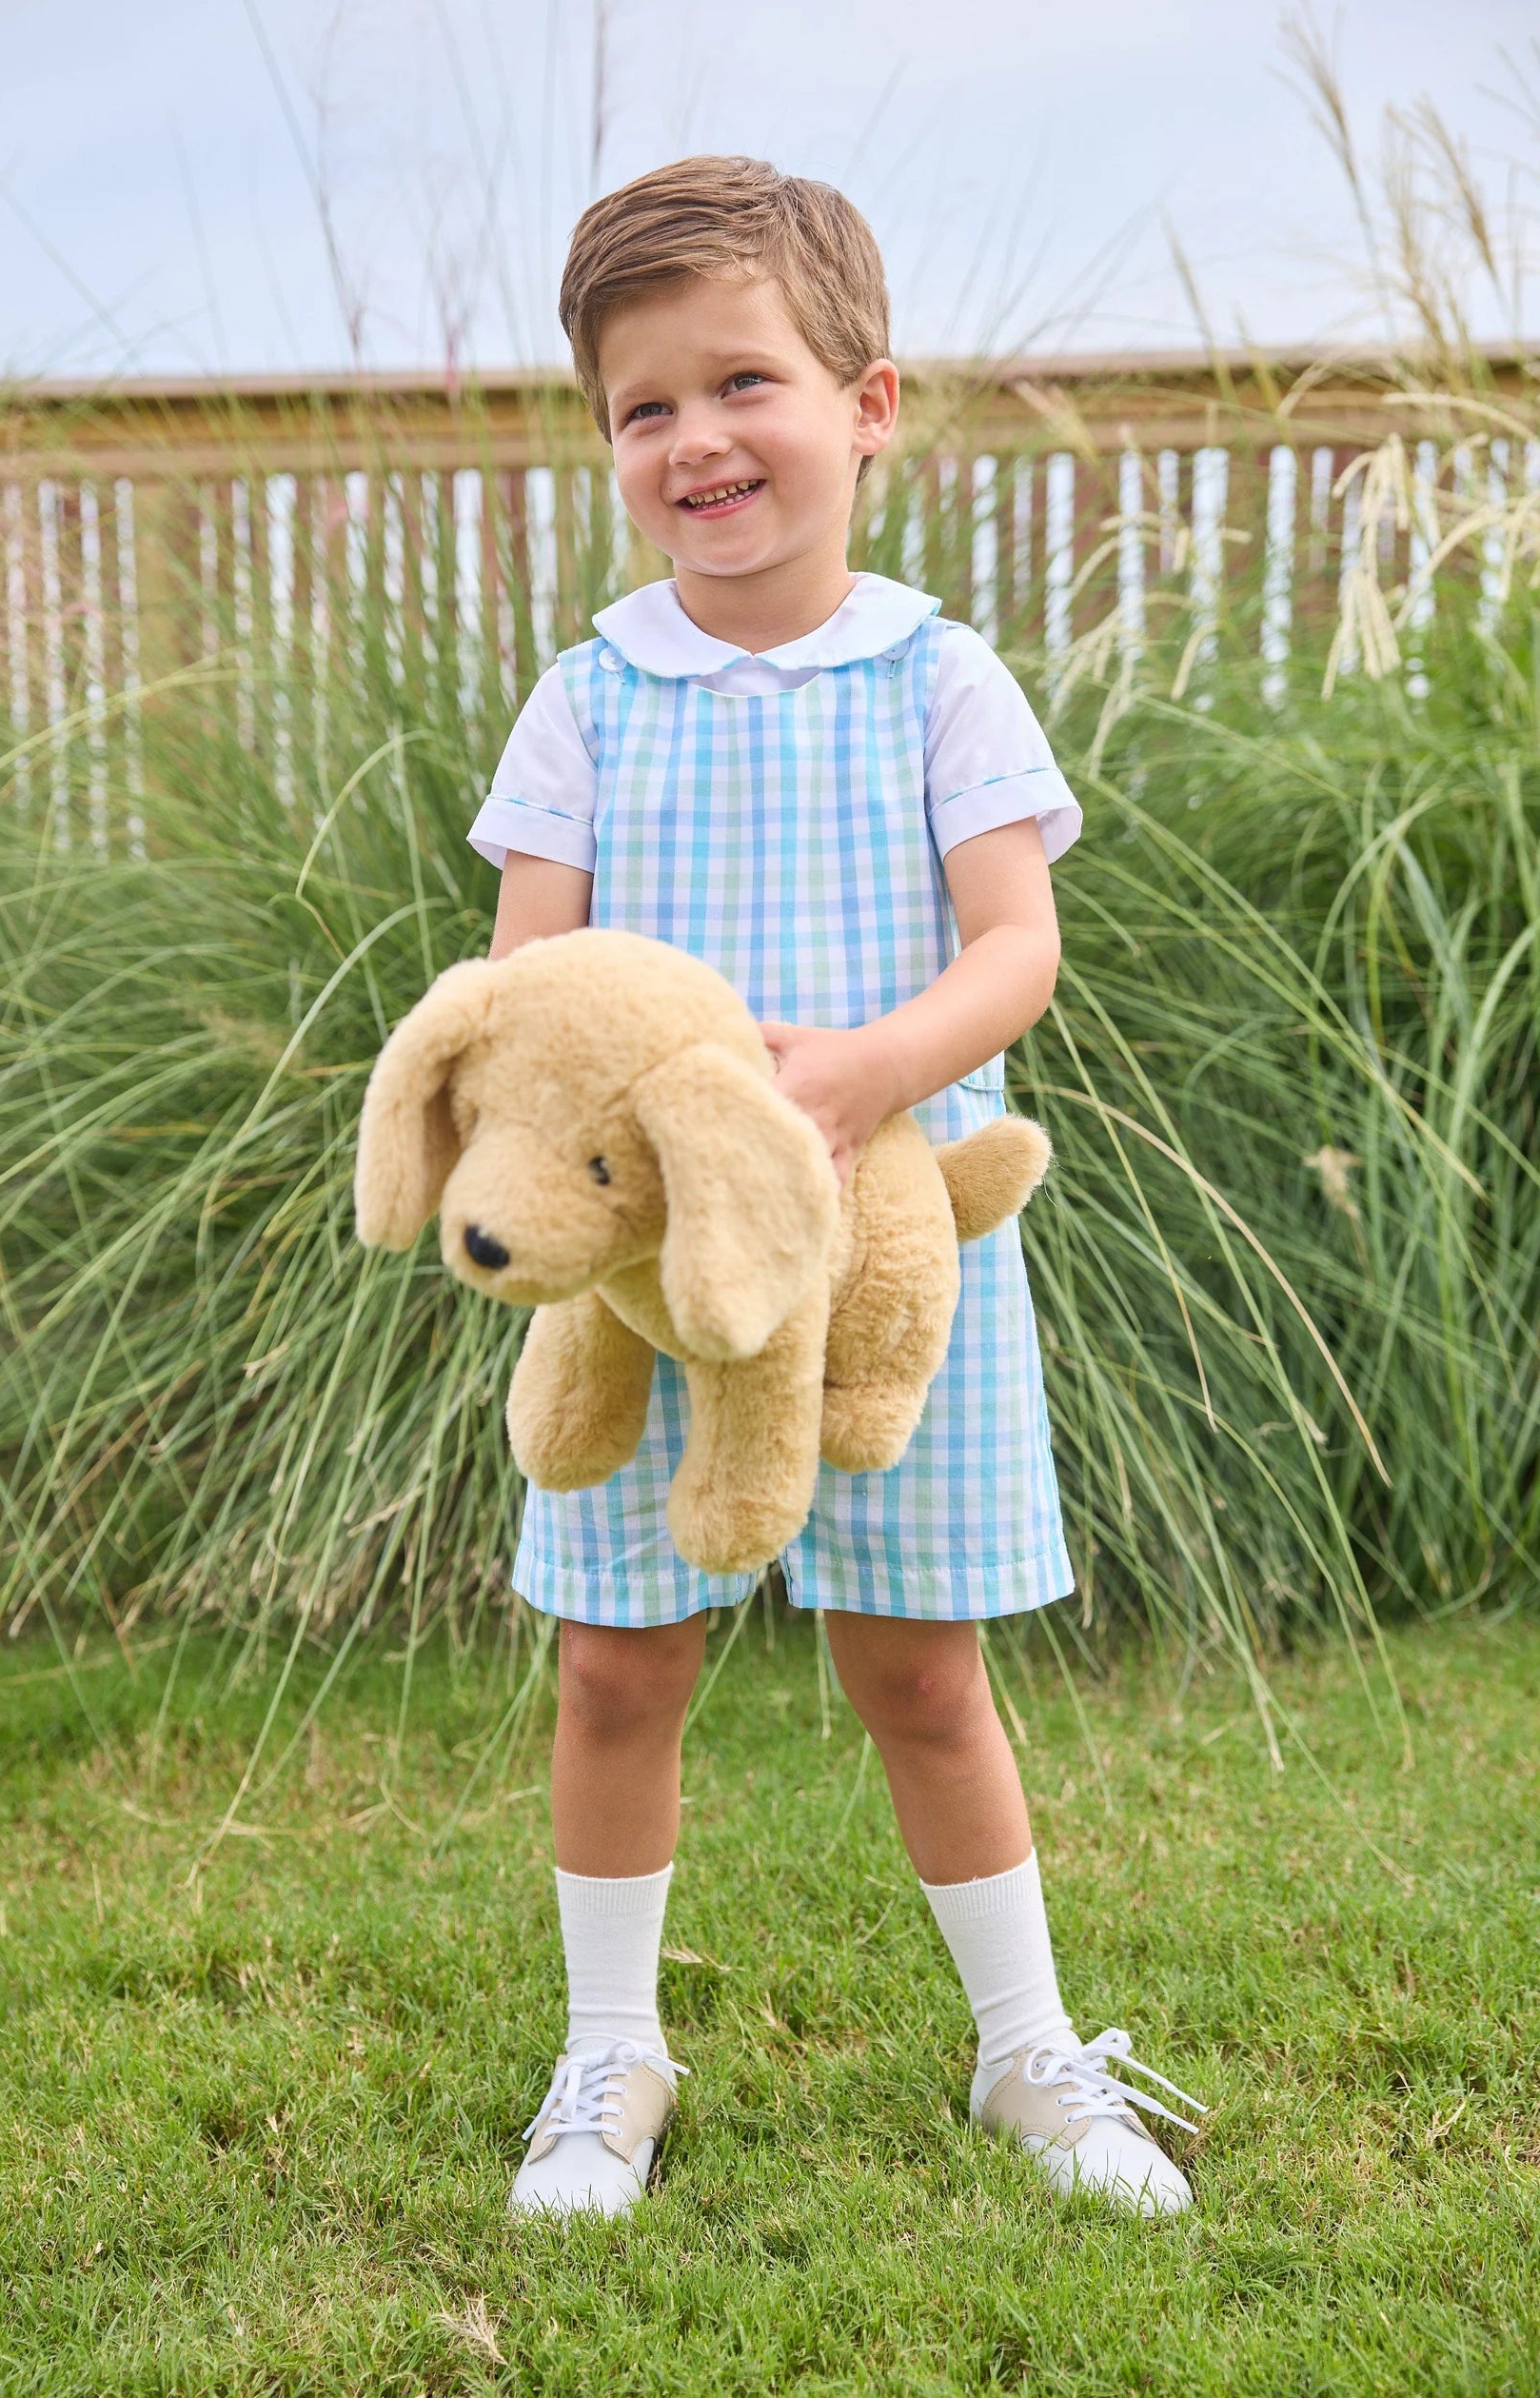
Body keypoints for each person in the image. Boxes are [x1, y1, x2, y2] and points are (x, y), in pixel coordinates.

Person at [467, 154, 1203, 2223]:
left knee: (921, 1670)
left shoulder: (937, 678)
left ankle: (1027, 2050)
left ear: (865, 406)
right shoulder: (592, 696)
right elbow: (534, 985)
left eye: (742, 384)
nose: (695, 439)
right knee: (618, 1667)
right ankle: (611, 2055)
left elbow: (1015, 947)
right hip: (649, 1283)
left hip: (895, 1264)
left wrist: (874, 1072)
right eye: (643, 406)